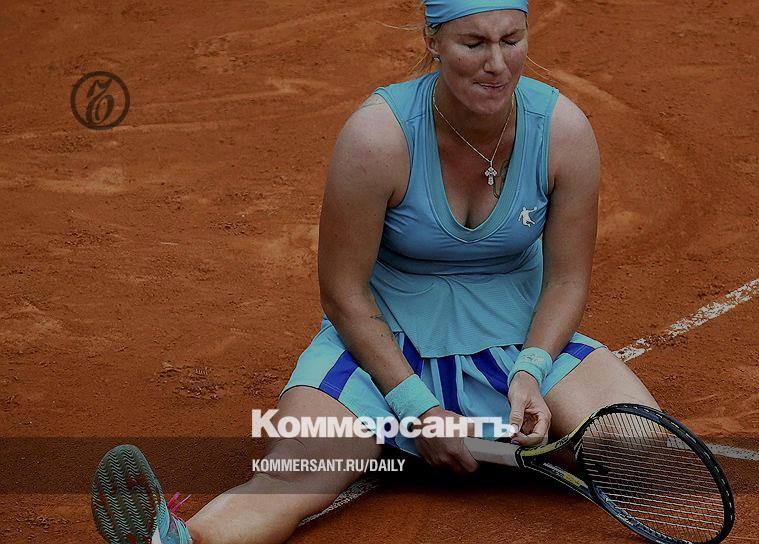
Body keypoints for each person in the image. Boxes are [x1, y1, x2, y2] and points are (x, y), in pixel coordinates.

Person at [90, 1, 659, 543]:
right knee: (292, 472)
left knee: (645, 451)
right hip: (382, 351)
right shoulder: (377, 136)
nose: (497, 63)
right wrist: (415, 408)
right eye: (473, 43)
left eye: (512, 40)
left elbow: (565, 281)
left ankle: (503, 445)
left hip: (518, 341)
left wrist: (531, 371)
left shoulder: (563, 131)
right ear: (433, 40)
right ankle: (176, 536)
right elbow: (342, 292)